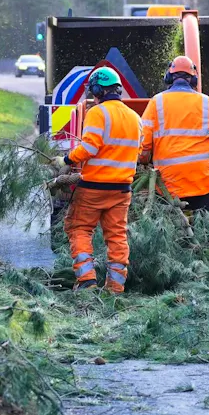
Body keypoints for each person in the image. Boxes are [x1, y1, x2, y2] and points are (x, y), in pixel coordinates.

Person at [52, 67, 142, 294]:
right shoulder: (134, 117)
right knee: (117, 236)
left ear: (96, 89)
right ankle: (115, 287)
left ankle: (86, 281)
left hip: (93, 187)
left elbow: (89, 147)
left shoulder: (97, 113)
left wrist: (65, 159)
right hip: (122, 189)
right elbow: (138, 152)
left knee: (79, 228)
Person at [139, 56, 209, 217]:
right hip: (201, 181)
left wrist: (144, 160)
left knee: (165, 229)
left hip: (167, 183)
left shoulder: (156, 102)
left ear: (169, 77)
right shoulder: (206, 102)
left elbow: (143, 142)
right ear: (193, 79)